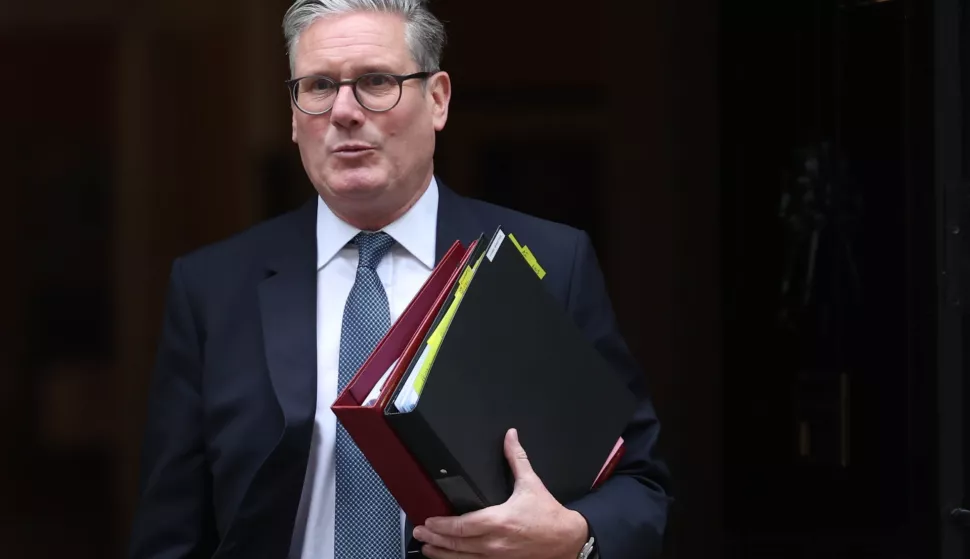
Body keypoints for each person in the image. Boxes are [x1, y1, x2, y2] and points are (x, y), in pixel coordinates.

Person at [127, 1, 672, 558]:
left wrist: (575, 536)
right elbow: (171, 529)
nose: (344, 111)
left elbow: (639, 483)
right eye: (318, 87)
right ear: (292, 116)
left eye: (376, 81)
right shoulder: (214, 289)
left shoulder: (548, 263)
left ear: (437, 99)